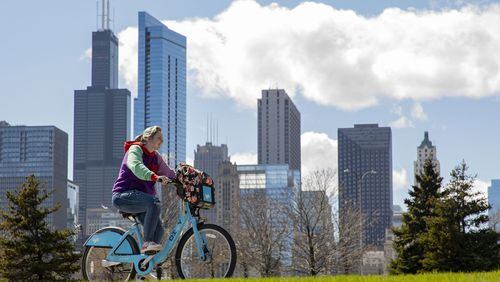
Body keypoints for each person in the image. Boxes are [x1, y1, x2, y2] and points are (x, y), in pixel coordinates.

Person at [112, 126, 176, 254]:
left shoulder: (156, 157)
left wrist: (184, 179)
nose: (162, 141)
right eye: (159, 138)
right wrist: (154, 176)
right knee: (155, 203)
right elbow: (136, 166)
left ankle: (146, 262)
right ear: (148, 138)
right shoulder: (135, 149)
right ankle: (147, 243)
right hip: (123, 195)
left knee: (159, 230)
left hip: (140, 200)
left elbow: (169, 173)